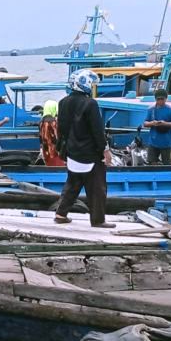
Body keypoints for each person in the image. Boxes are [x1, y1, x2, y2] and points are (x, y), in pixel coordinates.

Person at [55, 70, 113, 227]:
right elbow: (97, 130)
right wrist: (105, 150)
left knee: (72, 184)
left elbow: (61, 128)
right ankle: (98, 220)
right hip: (90, 153)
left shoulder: (63, 102)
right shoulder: (90, 103)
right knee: (97, 189)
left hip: (71, 151)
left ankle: (61, 214)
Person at [143, 88, 171, 165]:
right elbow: (145, 123)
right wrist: (152, 123)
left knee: (167, 164)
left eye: (162, 99)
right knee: (151, 163)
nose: (160, 101)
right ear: (155, 99)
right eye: (158, 99)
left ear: (166, 98)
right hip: (153, 142)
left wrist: (164, 123)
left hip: (166, 143)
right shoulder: (151, 109)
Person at [38, 99, 65, 167]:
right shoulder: (53, 122)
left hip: (45, 150)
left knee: (49, 165)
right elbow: (57, 137)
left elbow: (40, 137)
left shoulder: (41, 122)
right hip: (54, 151)